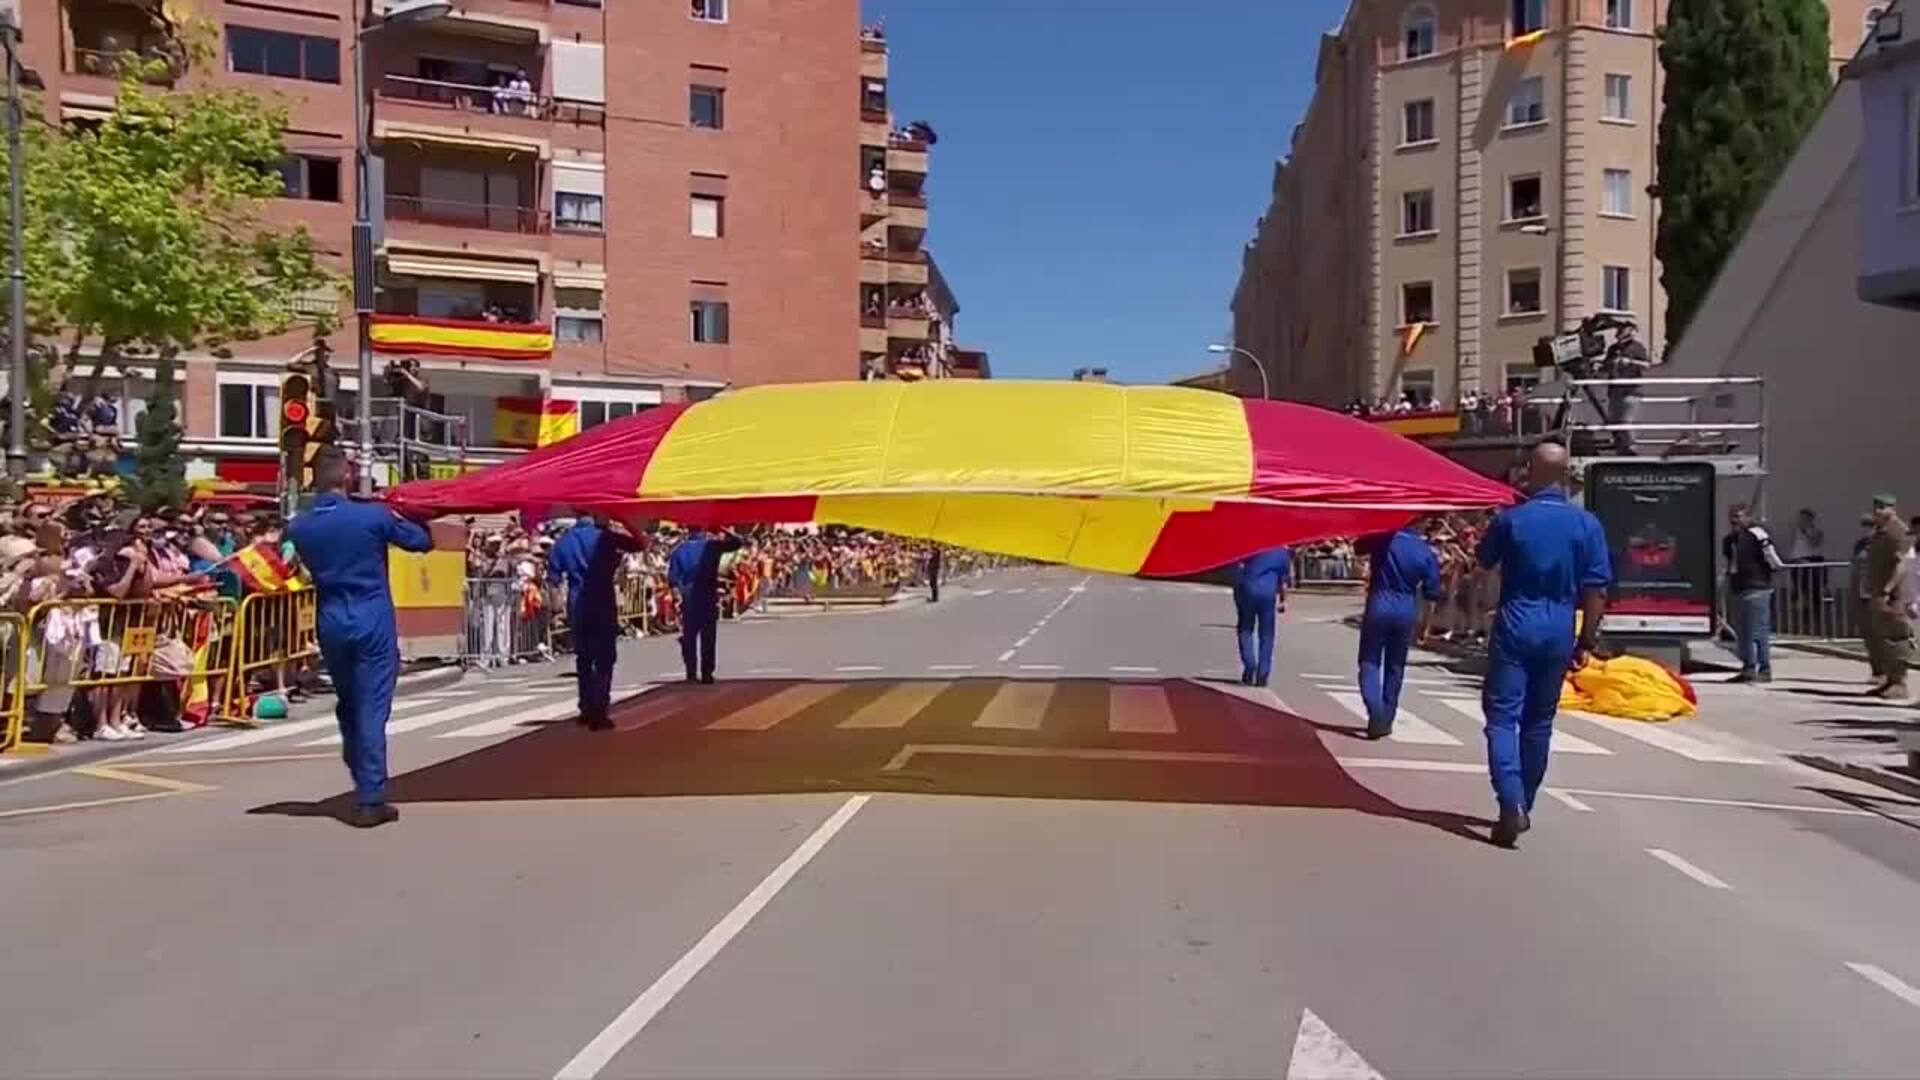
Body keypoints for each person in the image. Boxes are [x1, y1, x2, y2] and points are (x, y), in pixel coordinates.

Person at [287, 448, 434, 828]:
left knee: (350, 701)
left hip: (332, 616)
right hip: (371, 615)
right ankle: (370, 796)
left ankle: (358, 758)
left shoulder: (301, 526)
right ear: (348, 475)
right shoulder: (371, 516)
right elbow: (420, 541)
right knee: (372, 705)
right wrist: (413, 512)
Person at [1476, 441, 1611, 849]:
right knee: (1539, 723)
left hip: (1517, 620)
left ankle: (1510, 801)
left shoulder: (1512, 520)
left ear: (1532, 471)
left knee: (1502, 717)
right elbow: (1597, 589)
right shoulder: (1587, 525)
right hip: (1558, 626)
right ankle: (1525, 804)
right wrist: (1587, 639)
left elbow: (1483, 560)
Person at [548, 512, 641, 729]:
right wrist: (627, 522)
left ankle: (586, 706)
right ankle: (600, 707)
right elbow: (639, 544)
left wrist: (555, 608)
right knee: (605, 658)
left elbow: (553, 578)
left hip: (578, 601)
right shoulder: (605, 536)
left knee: (584, 658)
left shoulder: (564, 541)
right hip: (602, 599)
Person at [1355, 526, 1445, 739]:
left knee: (1369, 660)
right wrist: (1426, 626)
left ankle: (1375, 711)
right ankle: (1387, 717)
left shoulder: (1383, 537)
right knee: (1395, 666)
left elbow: (1359, 547)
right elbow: (1432, 590)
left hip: (1380, 601)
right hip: (1406, 606)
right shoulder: (1423, 549)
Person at [668, 525, 742, 683]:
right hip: (707, 595)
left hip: (688, 597)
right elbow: (737, 543)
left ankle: (691, 672)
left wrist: (676, 598)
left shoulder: (679, 550)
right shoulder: (711, 546)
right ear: (703, 529)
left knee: (689, 636)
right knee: (708, 636)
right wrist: (722, 528)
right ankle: (707, 673)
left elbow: (673, 579)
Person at [1721, 504, 1784, 683]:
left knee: (1757, 631)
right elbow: (1731, 563)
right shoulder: (1729, 540)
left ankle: (1763, 669)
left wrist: (1774, 570)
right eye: (1732, 516)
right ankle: (1748, 667)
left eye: (1739, 516)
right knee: (1742, 632)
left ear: (1747, 517)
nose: (1735, 520)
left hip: (1757, 587)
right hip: (1738, 588)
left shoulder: (1758, 534)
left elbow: (1771, 556)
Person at [1860, 494, 1911, 700]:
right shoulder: (1879, 533)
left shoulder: (1898, 532)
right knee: (1880, 639)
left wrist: (1888, 589)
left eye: (1883, 507)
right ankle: (1888, 680)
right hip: (1876, 593)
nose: (1878, 511)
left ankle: (1899, 682)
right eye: (1876, 507)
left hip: (1893, 596)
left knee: (1895, 639)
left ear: (1893, 508)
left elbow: (1902, 564)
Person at [1232, 545, 1292, 687]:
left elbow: (1237, 567)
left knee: (1245, 629)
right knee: (1267, 634)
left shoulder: (1250, 544)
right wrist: (1284, 600)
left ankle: (1250, 664)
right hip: (1268, 593)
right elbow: (1283, 580)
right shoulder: (1281, 552)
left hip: (1248, 589)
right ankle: (1263, 673)